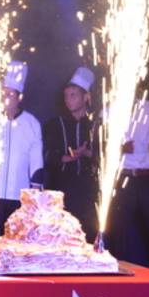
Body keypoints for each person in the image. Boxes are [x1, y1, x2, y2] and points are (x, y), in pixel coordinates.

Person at [0, 61, 45, 234]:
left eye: (10, 94)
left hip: (19, 194)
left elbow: (36, 159)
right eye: (3, 94)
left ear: (19, 97)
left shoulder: (31, 123)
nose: (5, 98)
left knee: (15, 238)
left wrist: (35, 189)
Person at [43, 67, 99, 241]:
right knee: (59, 236)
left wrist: (86, 153)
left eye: (73, 95)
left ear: (86, 97)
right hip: (61, 189)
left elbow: (104, 158)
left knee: (87, 236)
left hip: (88, 191)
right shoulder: (54, 124)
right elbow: (46, 156)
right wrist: (66, 157)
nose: (68, 100)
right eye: (66, 96)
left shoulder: (96, 125)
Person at [108, 99, 149, 268]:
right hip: (123, 179)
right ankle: (118, 275)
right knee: (119, 234)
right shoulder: (111, 108)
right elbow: (101, 145)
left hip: (147, 178)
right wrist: (119, 148)